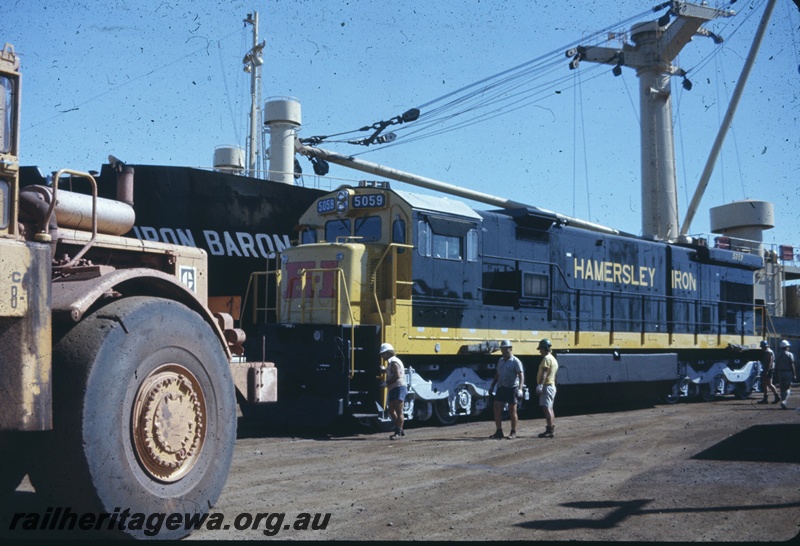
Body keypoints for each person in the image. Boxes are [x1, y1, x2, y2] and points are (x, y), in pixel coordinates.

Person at [488, 340, 525, 439]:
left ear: (511, 349)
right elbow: (498, 374)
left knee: (512, 410)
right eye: (503, 349)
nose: (504, 351)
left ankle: (513, 432)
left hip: (512, 388)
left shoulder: (515, 361)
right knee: (496, 408)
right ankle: (499, 431)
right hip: (501, 387)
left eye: (506, 349)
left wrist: (520, 389)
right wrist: (492, 385)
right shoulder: (500, 361)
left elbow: (521, 375)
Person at [380, 343, 407, 439]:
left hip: (399, 387)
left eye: (383, 354)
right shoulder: (391, 363)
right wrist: (384, 370)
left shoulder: (394, 362)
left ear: (388, 353)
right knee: (391, 410)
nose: (382, 356)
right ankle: (399, 429)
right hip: (393, 388)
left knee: (399, 411)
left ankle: (398, 433)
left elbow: (397, 376)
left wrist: (386, 383)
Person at [536, 338, 558, 438]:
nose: (540, 351)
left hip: (547, 385)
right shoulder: (553, 359)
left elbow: (545, 373)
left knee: (546, 408)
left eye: (541, 349)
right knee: (550, 408)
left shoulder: (546, 359)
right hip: (551, 385)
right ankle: (551, 428)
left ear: (545, 348)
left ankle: (550, 430)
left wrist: (540, 385)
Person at [775, 339, 797, 410]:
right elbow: (792, 365)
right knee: (787, 388)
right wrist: (794, 374)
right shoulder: (790, 354)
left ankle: (782, 400)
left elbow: (776, 365)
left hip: (780, 372)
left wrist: (775, 373)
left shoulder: (777, 355)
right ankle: (784, 401)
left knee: (782, 388)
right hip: (788, 372)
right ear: (786, 347)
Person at [757, 340, 780, 404]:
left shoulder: (768, 352)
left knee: (769, 384)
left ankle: (776, 396)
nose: (762, 348)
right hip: (767, 369)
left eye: (762, 347)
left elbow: (769, 362)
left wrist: (767, 371)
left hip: (768, 369)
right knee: (765, 383)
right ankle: (765, 398)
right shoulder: (768, 351)